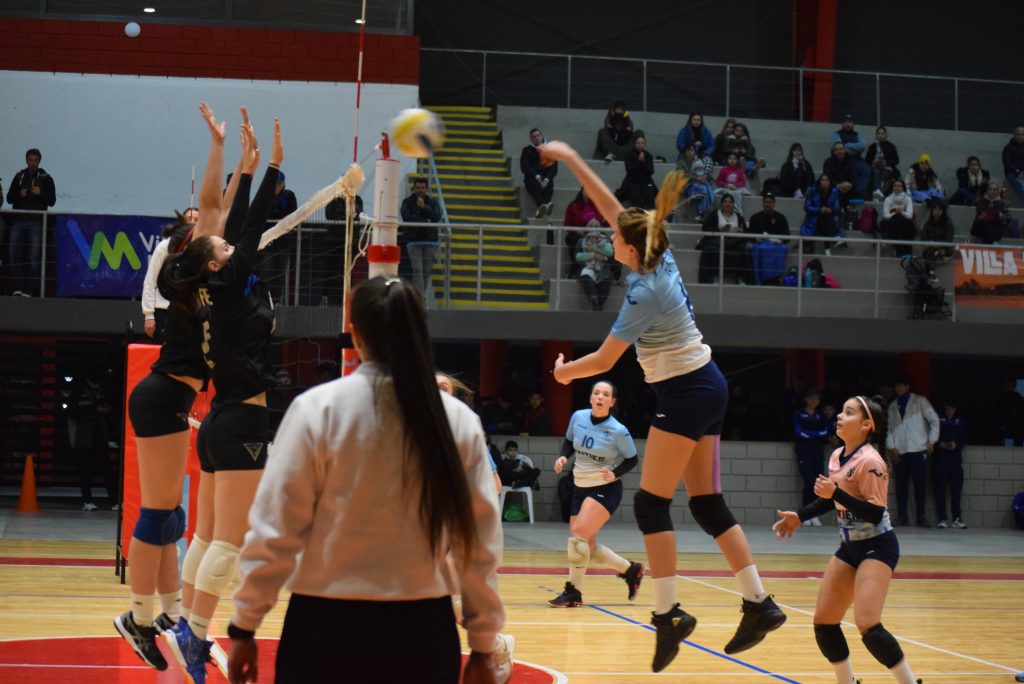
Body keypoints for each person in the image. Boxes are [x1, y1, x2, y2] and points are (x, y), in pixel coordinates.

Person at [539, 139, 785, 673]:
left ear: (629, 249)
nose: (608, 234)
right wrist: (573, 159)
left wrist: (562, 374)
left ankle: (669, 615)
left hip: (686, 393)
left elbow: (605, 360)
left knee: (652, 506)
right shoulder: (658, 253)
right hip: (707, 384)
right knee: (706, 504)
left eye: (614, 238)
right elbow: (614, 209)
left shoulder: (643, 293)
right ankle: (760, 604)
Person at [226, 276, 505, 684]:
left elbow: (275, 531)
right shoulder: (458, 419)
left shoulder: (316, 410)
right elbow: (478, 543)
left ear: (353, 331)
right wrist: (483, 643)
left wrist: (244, 626)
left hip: (324, 630)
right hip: (423, 634)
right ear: (418, 328)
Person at [114, 102, 244, 676]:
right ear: (201, 259)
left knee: (169, 518)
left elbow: (224, 206)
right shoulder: (191, 281)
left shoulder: (207, 280)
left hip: (169, 396)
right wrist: (219, 149)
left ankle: (166, 612)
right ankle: (138, 617)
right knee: (159, 513)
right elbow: (214, 208)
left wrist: (231, 153)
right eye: (216, 243)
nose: (224, 242)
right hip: (161, 395)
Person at [157, 116, 283, 684]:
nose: (234, 246)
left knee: (207, 537)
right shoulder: (228, 287)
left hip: (218, 424)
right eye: (225, 247)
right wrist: (268, 168)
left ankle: (187, 624)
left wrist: (254, 166)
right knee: (228, 544)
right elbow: (250, 226)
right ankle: (197, 635)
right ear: (214, 263)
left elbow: (242, 227)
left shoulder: (212, 291)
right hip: (239, 423)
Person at [773, 395, 922, 684]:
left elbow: (875, 513)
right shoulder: (836, 455)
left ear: (867, 425)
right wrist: (800, 516)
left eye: (849, 413)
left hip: (878, 547)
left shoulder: (871, 461)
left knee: (868, 625)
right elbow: (832, 500)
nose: (840, 416)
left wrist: (836, 494)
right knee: (824, 624)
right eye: (841, 411)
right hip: (850, 547)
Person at [547, 380, 645, 608]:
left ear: (612, 402)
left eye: (606, 394)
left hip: (605, 489)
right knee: (586, 547)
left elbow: (632, 459)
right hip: (579, 487)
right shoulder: (578, 417)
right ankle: (631, 570)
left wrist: (615, 474)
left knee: (578, 537)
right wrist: (563, 456)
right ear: (591, 397)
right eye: (596, 393)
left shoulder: (618, 430)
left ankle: (573, 592)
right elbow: (570, 442)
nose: (600, 397)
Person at [886, 377, 939, 528]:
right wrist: (892, 447)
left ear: (907, 386)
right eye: (896, 385)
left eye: (900, 385)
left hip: (918, 448)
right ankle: (902, 516)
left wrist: (932, 441)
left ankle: (921, 516)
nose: (898, 388)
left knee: (919, 483)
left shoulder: (920, 401)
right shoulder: (892, 406)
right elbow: (888, 429)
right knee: (901, 484)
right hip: (900, 450)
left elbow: (934, 420)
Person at [6, 147, 57, 296]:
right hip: (19, 220)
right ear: (26, 161)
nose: (32, 163)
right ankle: (18, 287)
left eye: (35, 160)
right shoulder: (19, 177)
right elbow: (9, 198)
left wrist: (41, 193)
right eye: (30, 160)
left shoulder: (46, 178)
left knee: (34, 256)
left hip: (37, 221)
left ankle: (29, 289)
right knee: (14, 254)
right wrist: (19, 194)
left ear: (39, 161)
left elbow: (52, 201)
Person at [68, 373, 118, 511]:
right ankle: (87, 500)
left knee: (107, 470)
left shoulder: (102, 393)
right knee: (84, 469)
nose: (97, 386)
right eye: (94, 383)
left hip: (100, 435)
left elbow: (110, 409)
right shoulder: (78, 393)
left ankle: (114, 501)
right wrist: (96, 410)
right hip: (84, 437)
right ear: (88, 381)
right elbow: (73, 412)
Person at [400, 177, 442, 304]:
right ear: (414, 189)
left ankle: (419, 296)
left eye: (422, 188)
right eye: (418, 187)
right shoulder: (407, 202)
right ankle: (421, 299)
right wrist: (426, 221)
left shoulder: (432, 202)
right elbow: (407, 218)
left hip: (430, 241)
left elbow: (436, 217)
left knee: (426, 271)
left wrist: (424, 207)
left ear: (427, 189)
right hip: (414, 241)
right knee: (417, 269)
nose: (420, 190)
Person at [697, 194, 752, 285]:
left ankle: (740, 277)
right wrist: (719, 230)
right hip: (717, 240)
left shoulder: (738, 217)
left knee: (742, 251)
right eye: (725, 202)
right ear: (722, 203)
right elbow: (705, 228)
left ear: (733, 204)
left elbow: (745, 231)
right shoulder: (714, 214)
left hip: (735, 241)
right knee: (713, 250)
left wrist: (740, 230)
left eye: (730, 202)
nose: (728, 204)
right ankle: (715, 276)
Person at [793, 388, 829, 526]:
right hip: (804, 451)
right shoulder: (799, 414)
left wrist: (811, 435)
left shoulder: (820, 416)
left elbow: (825, 432)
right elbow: (798, 432)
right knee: (808, 482)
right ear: (806, 399)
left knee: (817, 483)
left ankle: (814, 514)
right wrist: (815, 435)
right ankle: (806, 514)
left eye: (817, 399)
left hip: (817, 452)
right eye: (811, 398)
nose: (814, 401)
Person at [933, 399, 967, 530]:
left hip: (955, 460)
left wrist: (956, 445)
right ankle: (942, 519)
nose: (950, 410)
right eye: (948, 408)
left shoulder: (961, 420)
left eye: (952, 408)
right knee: (939, 491)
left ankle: (957, 519)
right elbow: (933, 436)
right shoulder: (939, 419)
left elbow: (964, 439)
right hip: (940, 460)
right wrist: (939, 444)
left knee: (956, 491)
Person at [563, 187, 607, 278]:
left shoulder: (597, 206)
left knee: (608, 241)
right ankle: (575, 269)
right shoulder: (574, 206)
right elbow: (567, 225)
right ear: (582, 191)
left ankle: (609, 271)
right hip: (578, 232)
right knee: (573, 240)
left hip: (595, 232)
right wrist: (578, 230)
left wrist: (598, 224)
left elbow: (603, 222)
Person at [748, 193, 791, 286]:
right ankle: (763, 279)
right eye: (766, 202)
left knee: (783, 249)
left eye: (770, 202)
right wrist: (755, 238)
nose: (768, 204)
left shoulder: (781, 217)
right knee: (760, 249)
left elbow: (787, 236)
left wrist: (781, 240)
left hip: (776, 244)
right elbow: (749, 234)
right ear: (762, 203)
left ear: (774, 203)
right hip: (761, 244)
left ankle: (775, 278)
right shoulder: (755, 217)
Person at [828, 114, 870, 198]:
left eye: (849, 122)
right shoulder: (836, 134)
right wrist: (854, 148)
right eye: (845, 122)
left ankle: (859, 193)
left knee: (866, 170)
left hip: (856, 160)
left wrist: (847, 145)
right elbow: (838, 148)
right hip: (842, 160)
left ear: (853, 124)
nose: (847, 124)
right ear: (842, 123)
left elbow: (862, 146)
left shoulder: (857, 134)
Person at [800, 174, 842, 255]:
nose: (825, 182)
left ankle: (829, 246)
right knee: (826, 219)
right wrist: (820, 210)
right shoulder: (813, 191)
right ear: (819, 182)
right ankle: (833, 241)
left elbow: (837, 208)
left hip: (828, 219)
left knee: (827, 218)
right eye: (823, 180)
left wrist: (831, 210)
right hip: (814, 219)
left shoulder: (834, 192)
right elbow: (807, 207)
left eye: (827, 180)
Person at [521, 128, 557, 218]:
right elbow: (525, 167)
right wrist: (537, 177)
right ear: (531, 139)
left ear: (542, 136)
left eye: (538, 136)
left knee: (549, 185)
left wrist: (546, 180)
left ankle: (543, 207)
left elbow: (554, 167)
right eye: (533, 137)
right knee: (534, 185)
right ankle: (545, 205)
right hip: (532, 178)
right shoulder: (526, 151)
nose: (536, 138)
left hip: (545, 178)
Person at [575, 229, 615, 311]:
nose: (593, 234)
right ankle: (595, 301)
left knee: (606, 279)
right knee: (585, 276)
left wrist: (594, 248)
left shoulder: (605, 241)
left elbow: (609, 253)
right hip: (588, 266)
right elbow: (578, 257)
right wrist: (593, 255)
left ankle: (600, 304)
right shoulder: (582, 242)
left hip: (603, 267)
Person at [619, 133, 658, 209]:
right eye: (638, 143)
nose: (640, 145)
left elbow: (650, 171)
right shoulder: (629, 155)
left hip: (646, 181)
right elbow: (630, 171)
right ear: (634, 144)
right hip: (632, 181)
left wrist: (643, 162)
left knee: (650, 196)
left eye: (642, 143)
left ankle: (650, 217)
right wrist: (639, 161)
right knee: (636, 196)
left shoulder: (648, 155)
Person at [879, 179, 915, 258]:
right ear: (892, 187)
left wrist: (901, 212)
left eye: (899, 186)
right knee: (896, 219)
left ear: (903, 188)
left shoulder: (908, 199)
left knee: (902, 221)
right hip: (891, 223)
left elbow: (909, 215)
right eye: (895, 186)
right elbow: (886, 215)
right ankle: (900, 250)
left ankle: (899, 250)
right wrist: (895, 213)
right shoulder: (888, 199)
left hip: (905, 224)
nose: (897, 187)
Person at [865, 126, 900, 201]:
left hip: (887, 168)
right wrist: (873, 161)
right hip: (875, 167)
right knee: (876, 171)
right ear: (876, 135)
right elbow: (866, 160)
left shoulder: (891, 146)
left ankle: (878, 193)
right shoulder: (872, 147)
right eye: (878, 134)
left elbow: (896, 160)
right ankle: (879, 192)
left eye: (882, 134)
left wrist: (886, 163)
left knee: (885, 172)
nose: (880, 135)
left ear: (886, 135)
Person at [1001, 126, 1024, 201]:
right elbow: (1007, 163)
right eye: (1018, 134)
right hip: (1012, 174)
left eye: (1022, 134)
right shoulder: (1008, 148)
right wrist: (1017, 172)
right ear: (1014, 135)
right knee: (1022, 185)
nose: (1020, 136)